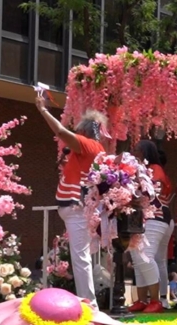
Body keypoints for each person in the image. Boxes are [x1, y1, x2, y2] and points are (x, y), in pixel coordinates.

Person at [35, 92, 108, 305]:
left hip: (77, 206)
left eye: (78, 130)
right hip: (77, 206)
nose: (75, 133)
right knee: (80, 255)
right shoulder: (95, 148)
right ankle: (88, 300)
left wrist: (43, 109)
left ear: (85, 131)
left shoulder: (88, 145)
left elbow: (59, 131)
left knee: (80, 256)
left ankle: (89, 303)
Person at [128, 140, 172, 314]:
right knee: (137, 258)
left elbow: (147, 191)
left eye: (137, 149)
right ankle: (141, 300)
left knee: (145, 256)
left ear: (145, 152)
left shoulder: (154, 169)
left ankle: (155, 300)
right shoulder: (141, 169)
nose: (133, 152)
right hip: (142, 217)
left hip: (156, 216)